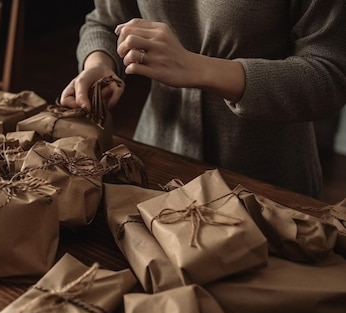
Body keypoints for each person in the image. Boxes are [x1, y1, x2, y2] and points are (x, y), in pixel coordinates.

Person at [59, 1, 346, 199]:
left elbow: (331, 75)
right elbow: (107, 21)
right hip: (155, 164)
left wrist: (199, 68)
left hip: (266, 182)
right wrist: (99, 63)